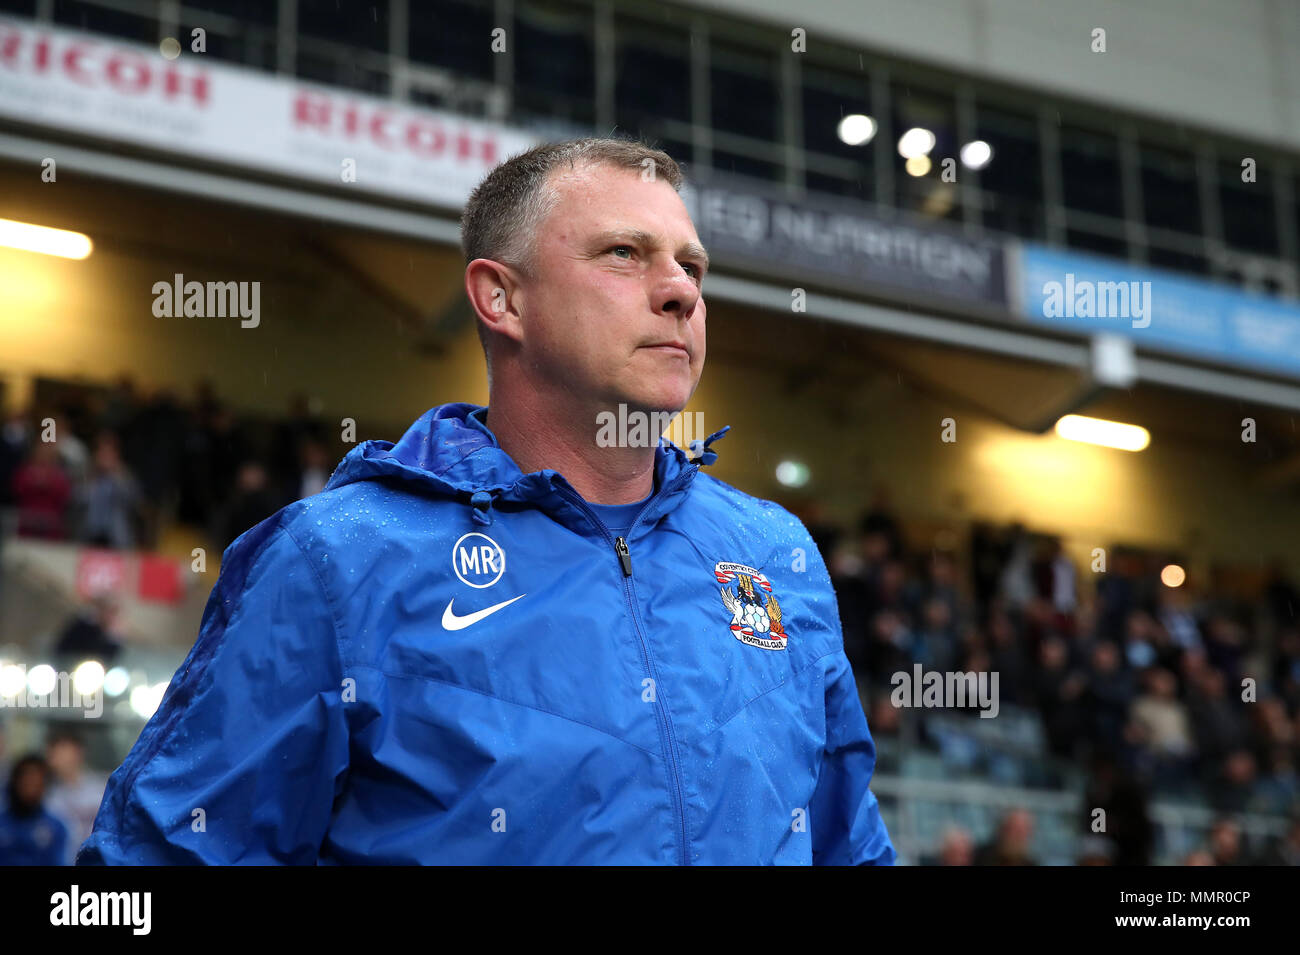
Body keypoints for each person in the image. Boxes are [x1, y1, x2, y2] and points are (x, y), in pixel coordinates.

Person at [79, 138, 895, 866]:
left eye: (692, 265)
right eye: (624, 253)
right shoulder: (341, 558)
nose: (680, 291)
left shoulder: (771, 553)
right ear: (502, 298)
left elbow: (847, 845)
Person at [44, 732, 109, 866]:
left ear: (78, 752)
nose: (56, 757)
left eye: (62, 749)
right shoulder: (46, 795)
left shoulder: (100, 789)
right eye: (53, 751)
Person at [0, 754, 69, 866]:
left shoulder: (56, 828)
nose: (30, 787)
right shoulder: (2, 824)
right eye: (26, 781)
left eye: (35, 782)